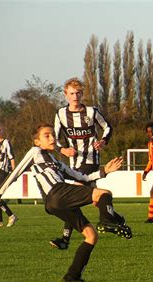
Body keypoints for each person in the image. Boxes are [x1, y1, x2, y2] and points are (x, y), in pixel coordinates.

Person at [0, 123, 131, 282]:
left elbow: (81, 177)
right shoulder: (35, 152)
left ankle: (72, 276)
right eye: (46, 136)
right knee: (104, 194)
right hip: (57, 192)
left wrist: (105, 171)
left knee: (91, 236)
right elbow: (16, 172)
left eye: (53, 135)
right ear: (37, 142)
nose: (51, 138)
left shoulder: (56, 162)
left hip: (55, 203)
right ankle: (108, 221)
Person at [50, 77, 113, 250]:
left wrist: (103, 142)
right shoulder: (61, 114)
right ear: (66, 95)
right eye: (72, 93)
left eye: (78, 93)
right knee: (96, 197)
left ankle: (65, 239)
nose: (75, 96)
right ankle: (115, 218)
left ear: (82, 94)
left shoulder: (91, 112)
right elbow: (54, 139)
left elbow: (107, 127)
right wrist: (62, 150)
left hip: (91, 160)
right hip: (74, 162)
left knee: (72, 198)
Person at [0, 123, 18, 228]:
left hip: (2, 171)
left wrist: (14, 172)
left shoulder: (6, 143)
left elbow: (11, 157)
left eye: (0, 130)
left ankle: (11, 215)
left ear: (3, 131)